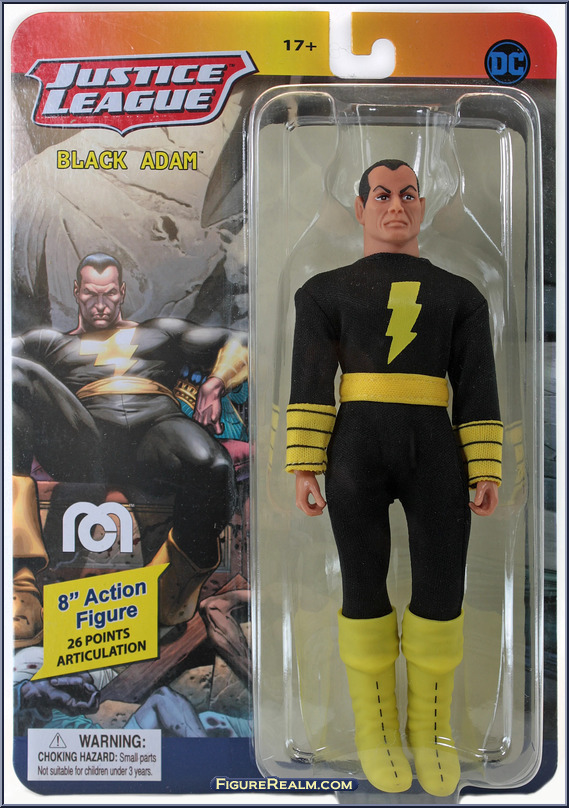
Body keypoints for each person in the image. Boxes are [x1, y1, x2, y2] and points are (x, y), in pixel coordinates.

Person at [286, 160, 502, 796]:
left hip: (436, 450)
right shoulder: (322, 293)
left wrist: (484, 466)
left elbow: (478, 388)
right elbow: (310, 383)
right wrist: (305, 463)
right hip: (354, 452)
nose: (396, 207)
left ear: (423, 205)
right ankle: (375, 730)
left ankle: (431, 731)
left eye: (408, 194)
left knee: (442, 586)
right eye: (381, 195)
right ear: (359, 208)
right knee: (361, 584)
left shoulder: (462, 296)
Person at [13, 252, 248, 643]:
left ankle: (173, 590)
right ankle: (20, 582)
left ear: (122, 291)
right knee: (15, 372)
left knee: (213, 466)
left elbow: (238, 339)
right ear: (77, 291)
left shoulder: (159, 333)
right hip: (86, 440)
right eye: (91, 294)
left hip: (156, 429)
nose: (100, 304)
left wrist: (216, 383)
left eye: (109, 293)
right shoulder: (50, 343)